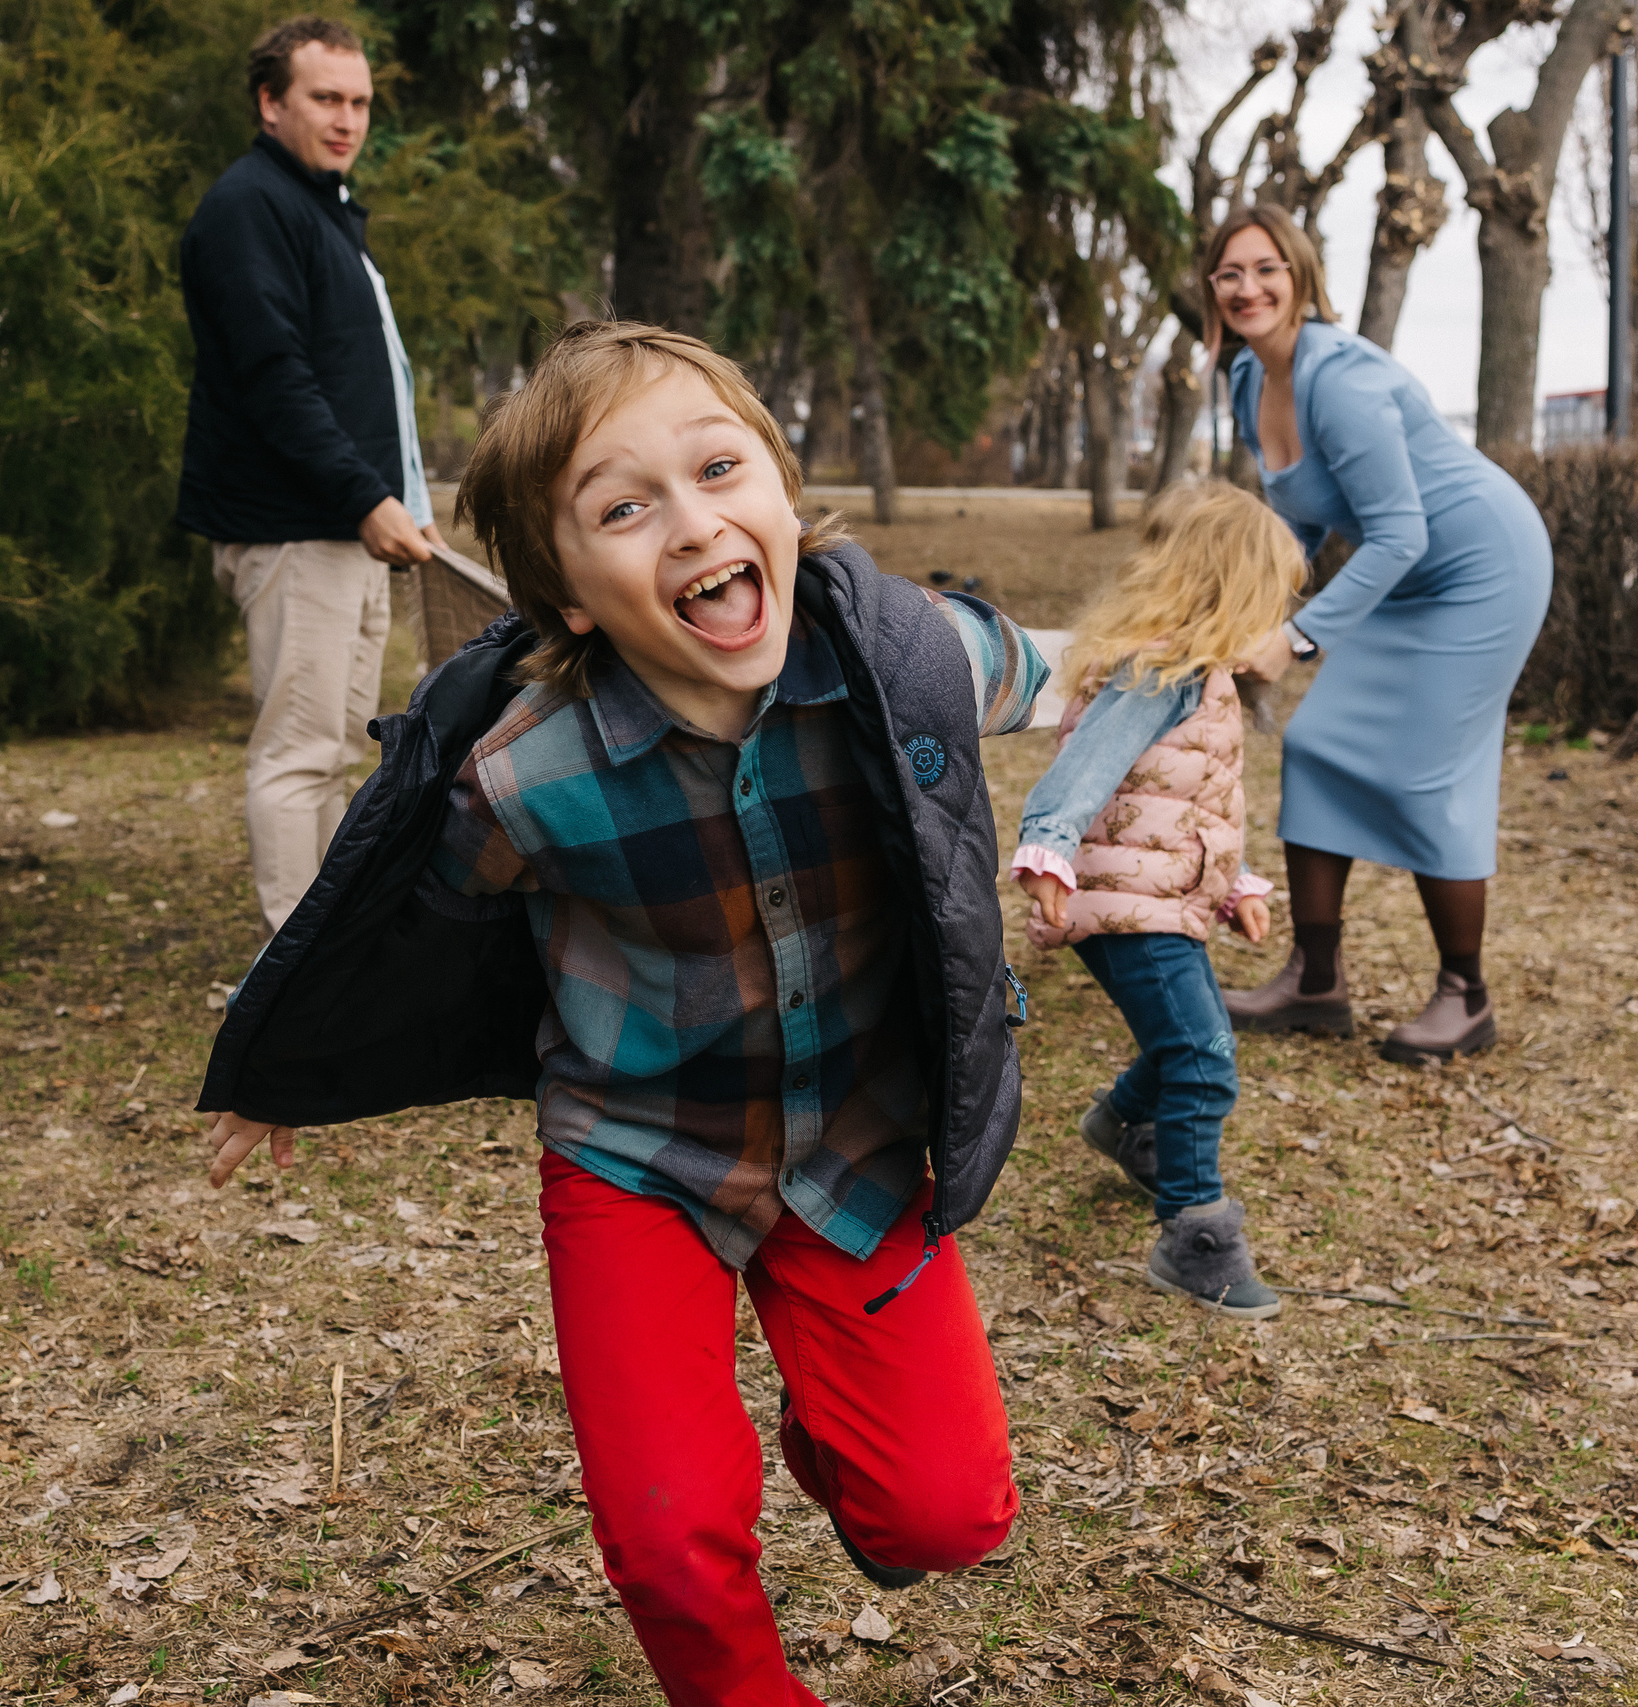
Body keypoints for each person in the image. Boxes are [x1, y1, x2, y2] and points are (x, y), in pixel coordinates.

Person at [194, 322, 1050, 1707]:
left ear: (781, 494)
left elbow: (1058, 664)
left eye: (718, 470)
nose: (694, 524)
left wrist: (1175, 656)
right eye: (623, 507)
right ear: (570, 598)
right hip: (639, 1153)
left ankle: (846, 1442)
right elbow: (391, 916)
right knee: (667, 1538)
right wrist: (282, 1056)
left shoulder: (910, 663)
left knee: (944, 1517)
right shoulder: (524, 775)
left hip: (859, 1141)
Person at [1208, 205, 1554, 1064]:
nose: (1248, 288)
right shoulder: (1249, 378)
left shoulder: (1341, 380)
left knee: (1428, 774)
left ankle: (1466, 996)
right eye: (1229, 273)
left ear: (1300, 277)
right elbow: (1305, 526)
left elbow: (1400, 532)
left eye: (1266, 269)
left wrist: (1295, 641)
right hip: (1403, 572)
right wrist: (1251, 617)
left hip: (1480, 568)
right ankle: (1315, 981)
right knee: (1317, 744)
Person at [176, 15, 444, 935]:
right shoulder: (248, 208)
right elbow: (274, 378)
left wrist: (406, 498)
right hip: (298, 530)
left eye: (360, 102)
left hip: (348, 528)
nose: (347, 119)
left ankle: (325, 958)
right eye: (325, 98)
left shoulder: (321, 207)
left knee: (333, 753)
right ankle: (292, 974)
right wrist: (366, 496)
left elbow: (372, 377)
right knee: (297, 757)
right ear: (270, 102)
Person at [1012, 483, 1294, 1319]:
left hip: (1151, 897)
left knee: (1190, 1039)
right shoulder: (1160, 671)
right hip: (1125, 904)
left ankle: (1122, 1125)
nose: (1277, 622)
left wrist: (1235, 883)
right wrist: (1048, 845)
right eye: (1270, 600)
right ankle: (1195, 1242)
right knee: (1203, 1056)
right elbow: (1088, 765)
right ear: (1230, 591)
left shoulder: (1194, 673)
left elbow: (1188, 801)